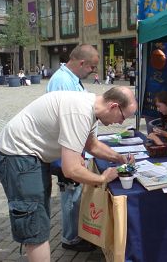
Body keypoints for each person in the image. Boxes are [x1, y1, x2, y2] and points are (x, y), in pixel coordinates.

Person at [0, 86, 137, 262]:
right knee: (36, 228)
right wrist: (102, 179)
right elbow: (71, 169)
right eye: (123, 117)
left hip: (30, 156)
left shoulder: (89, 106)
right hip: (18, 156)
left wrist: (119, 158)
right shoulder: (80, 112)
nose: (121, 123)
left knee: (39, 220)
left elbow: (91, 145)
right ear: (114, 106)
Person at [46, 44, 99, 252]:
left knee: (74, 193)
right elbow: (67, 121)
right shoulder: (62, 81)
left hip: (73, 148)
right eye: (92, 67)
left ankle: (74, 234)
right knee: (70, 192)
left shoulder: (71, 79)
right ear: (82, 63)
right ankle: (70, 238)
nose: (93, 71)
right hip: (66, 150)